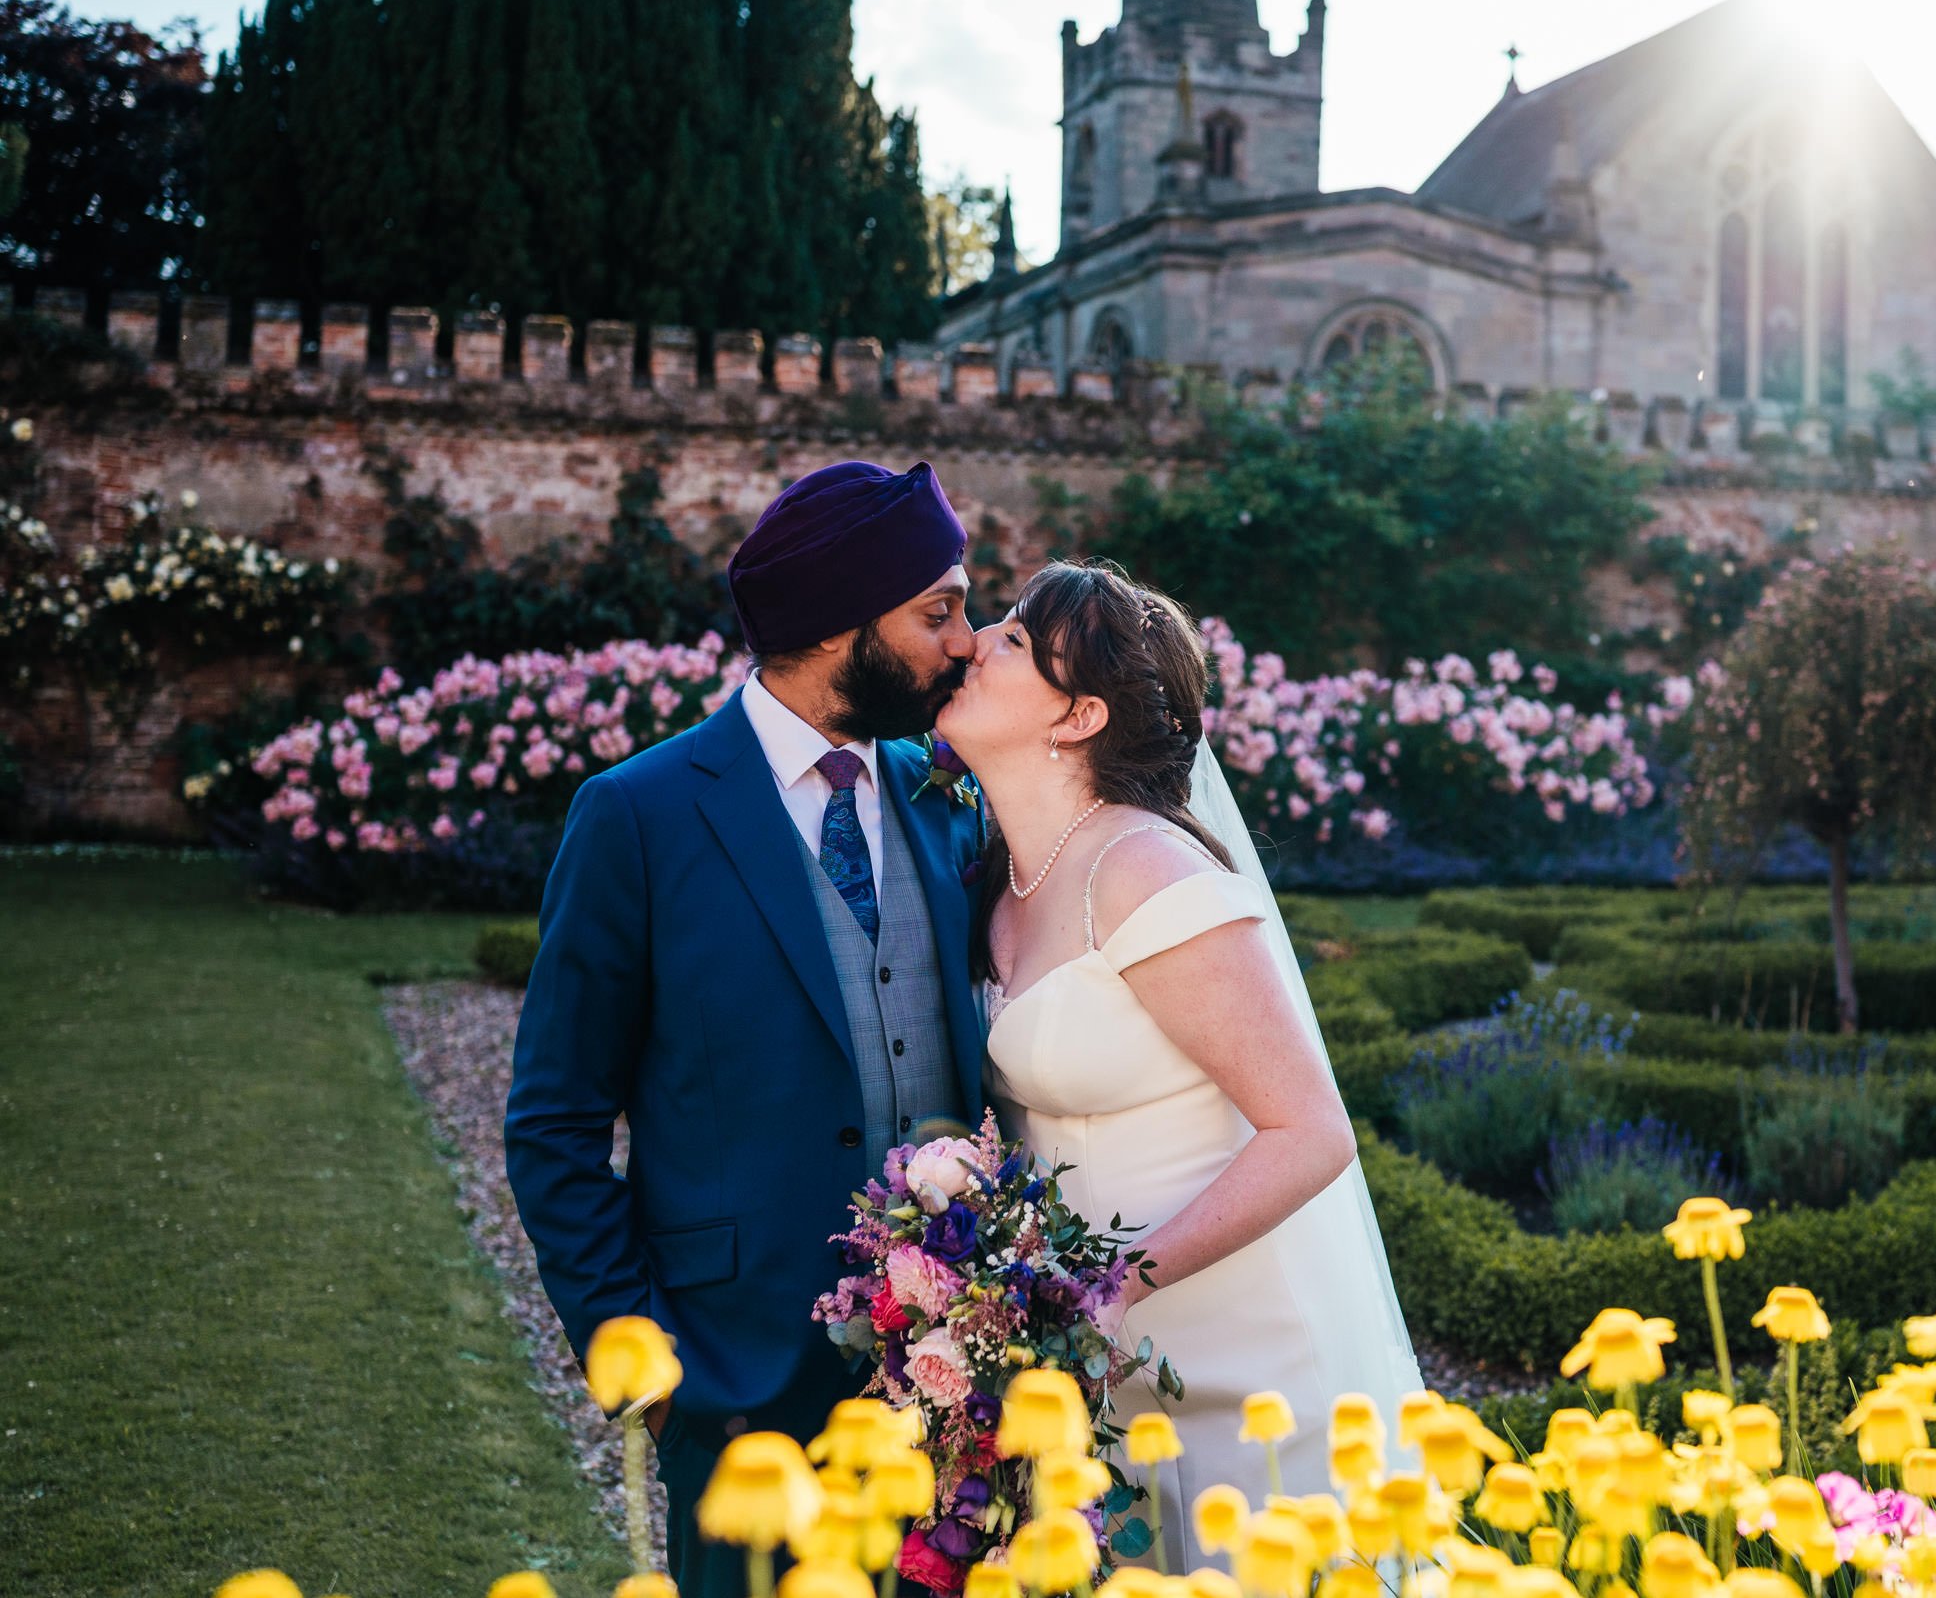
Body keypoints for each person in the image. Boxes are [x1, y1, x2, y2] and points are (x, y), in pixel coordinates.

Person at [504, 459, 992, 1598]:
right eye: (939, 610)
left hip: (957, 1382)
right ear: (837, 623)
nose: (966, 640)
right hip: (736, 1385)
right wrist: (641, 1348)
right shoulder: (639, 814)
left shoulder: (947, 794)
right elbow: (556, 1115)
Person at [938, 558, 1423, 1517]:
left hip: (1242, 1371)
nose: (975, 641)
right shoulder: (997, 870)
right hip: (1099, 1370)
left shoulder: (1146, 870)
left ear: (1077, 718)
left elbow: (1312, 1130)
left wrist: (1122, 1284)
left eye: (1017, 642)